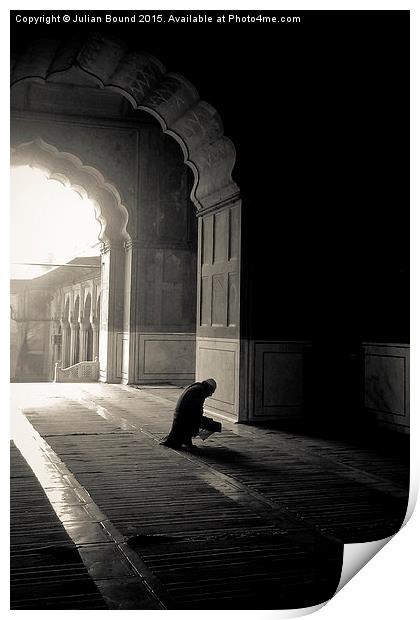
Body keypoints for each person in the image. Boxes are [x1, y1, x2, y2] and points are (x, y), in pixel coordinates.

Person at [160, 378, 217, 450]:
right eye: (212, 392)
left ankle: (186, 439)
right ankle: (187, 440)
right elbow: (197, 412)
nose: (210, 395)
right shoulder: (200, 391)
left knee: (198, 420)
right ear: (209, 388)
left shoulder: (196, 387)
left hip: (180, 416)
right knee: (215, 425)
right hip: (185, 417)